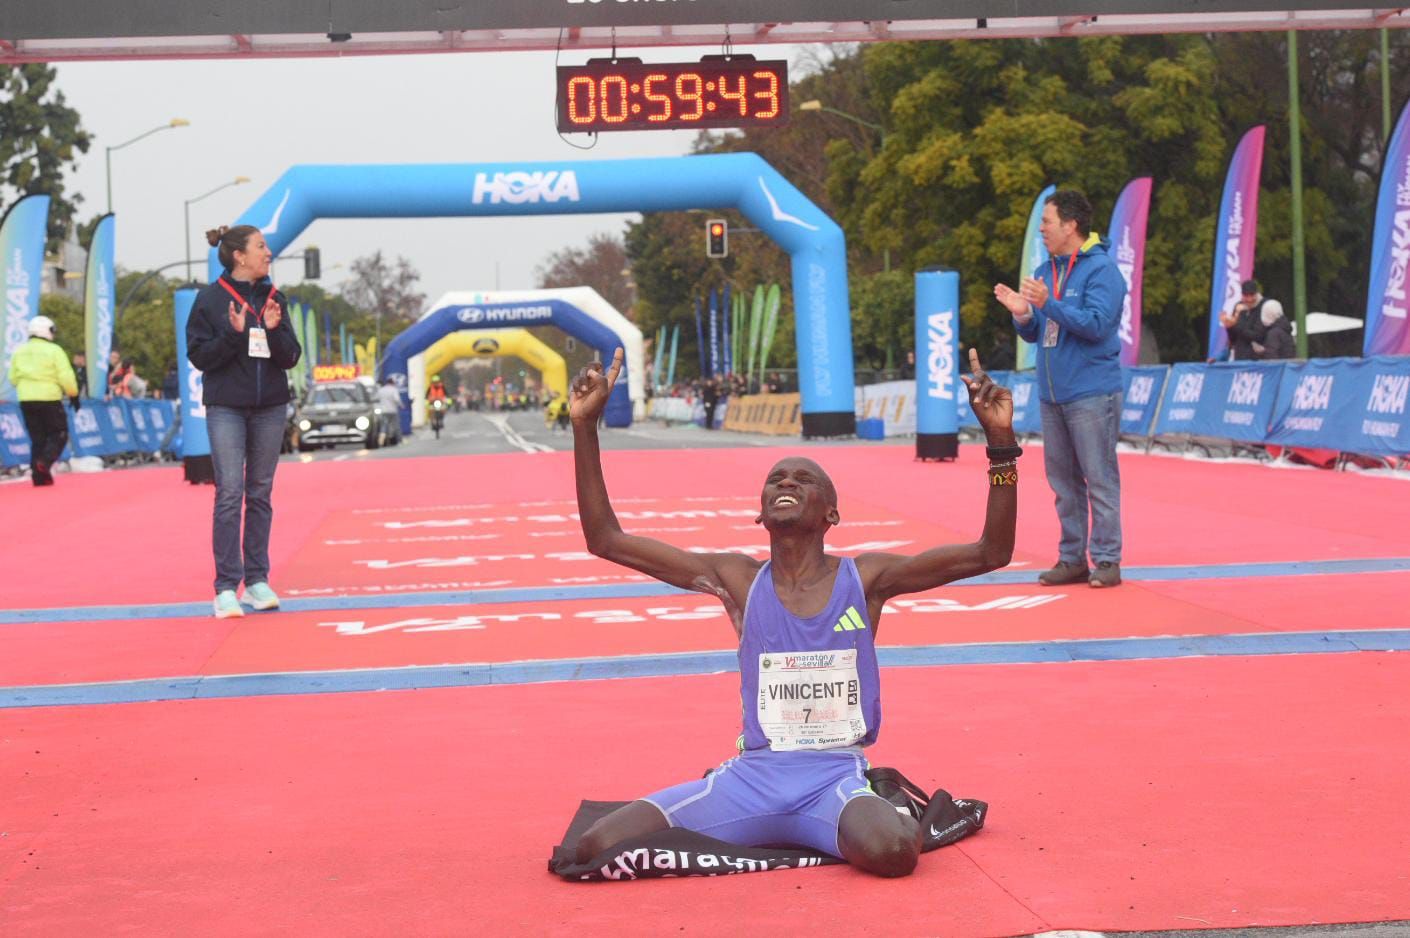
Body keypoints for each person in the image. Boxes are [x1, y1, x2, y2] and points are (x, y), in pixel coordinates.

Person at [567, 346, 1017, 877]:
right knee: (592, 849)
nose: (786, 481)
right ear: (760, 514)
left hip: (833, 780)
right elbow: (606, 540)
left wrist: (1001, 447)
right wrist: (584, 428)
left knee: (895, 854)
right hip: (749, 780)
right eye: (776, 478)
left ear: (831, 513)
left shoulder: (866, 579)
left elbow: (992, 552)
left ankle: (884, 797)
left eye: (803, 479)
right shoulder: (738, 579)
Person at [993, 188, 1127, 589]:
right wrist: (1022, 316)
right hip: (1053, 394)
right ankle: (1072, 558)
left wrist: (1048, 303)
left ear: (1071, 225)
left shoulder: (1102, 271)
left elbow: (1096, 325)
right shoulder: (1044, 270)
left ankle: (1106, 560)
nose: (1042, 230)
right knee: (1063, 484)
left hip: (1091, 392)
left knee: (1099, 479)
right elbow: (1039, 332)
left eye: (1047, 223)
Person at [186, 224, 303, 619]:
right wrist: (235, 336)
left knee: (260, 492)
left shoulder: (275, 298)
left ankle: (257, 580)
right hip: (227, 408)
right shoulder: (210, 300)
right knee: (230, 492)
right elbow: (199, 357)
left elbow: (290, 357)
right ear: (239, 255)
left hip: (270, 406)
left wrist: (271, 331)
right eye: (261, 246)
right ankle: (224, 587)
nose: (267, 253)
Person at [7, 315, 79, 487]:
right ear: (46, 331)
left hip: (26, 399)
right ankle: (44, 463)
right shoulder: (54, 350)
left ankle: (39, 477)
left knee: (37, 438)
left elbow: (12, 378)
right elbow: (66, 376)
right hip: (49, 398)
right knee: (59, 433)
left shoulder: (19, 351)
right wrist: (73, 395)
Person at [1219, 280, 1271, 361]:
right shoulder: (1238, 306)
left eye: (1252, 295)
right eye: (1246, 296)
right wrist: (1229, 326)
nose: (1249, 299)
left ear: (1257, 293)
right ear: (1242, 295)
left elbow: (1259, 336)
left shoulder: (1265, 306)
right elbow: (1233, 339)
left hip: (1258, 360)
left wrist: (1236, 325)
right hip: (1240, 358)